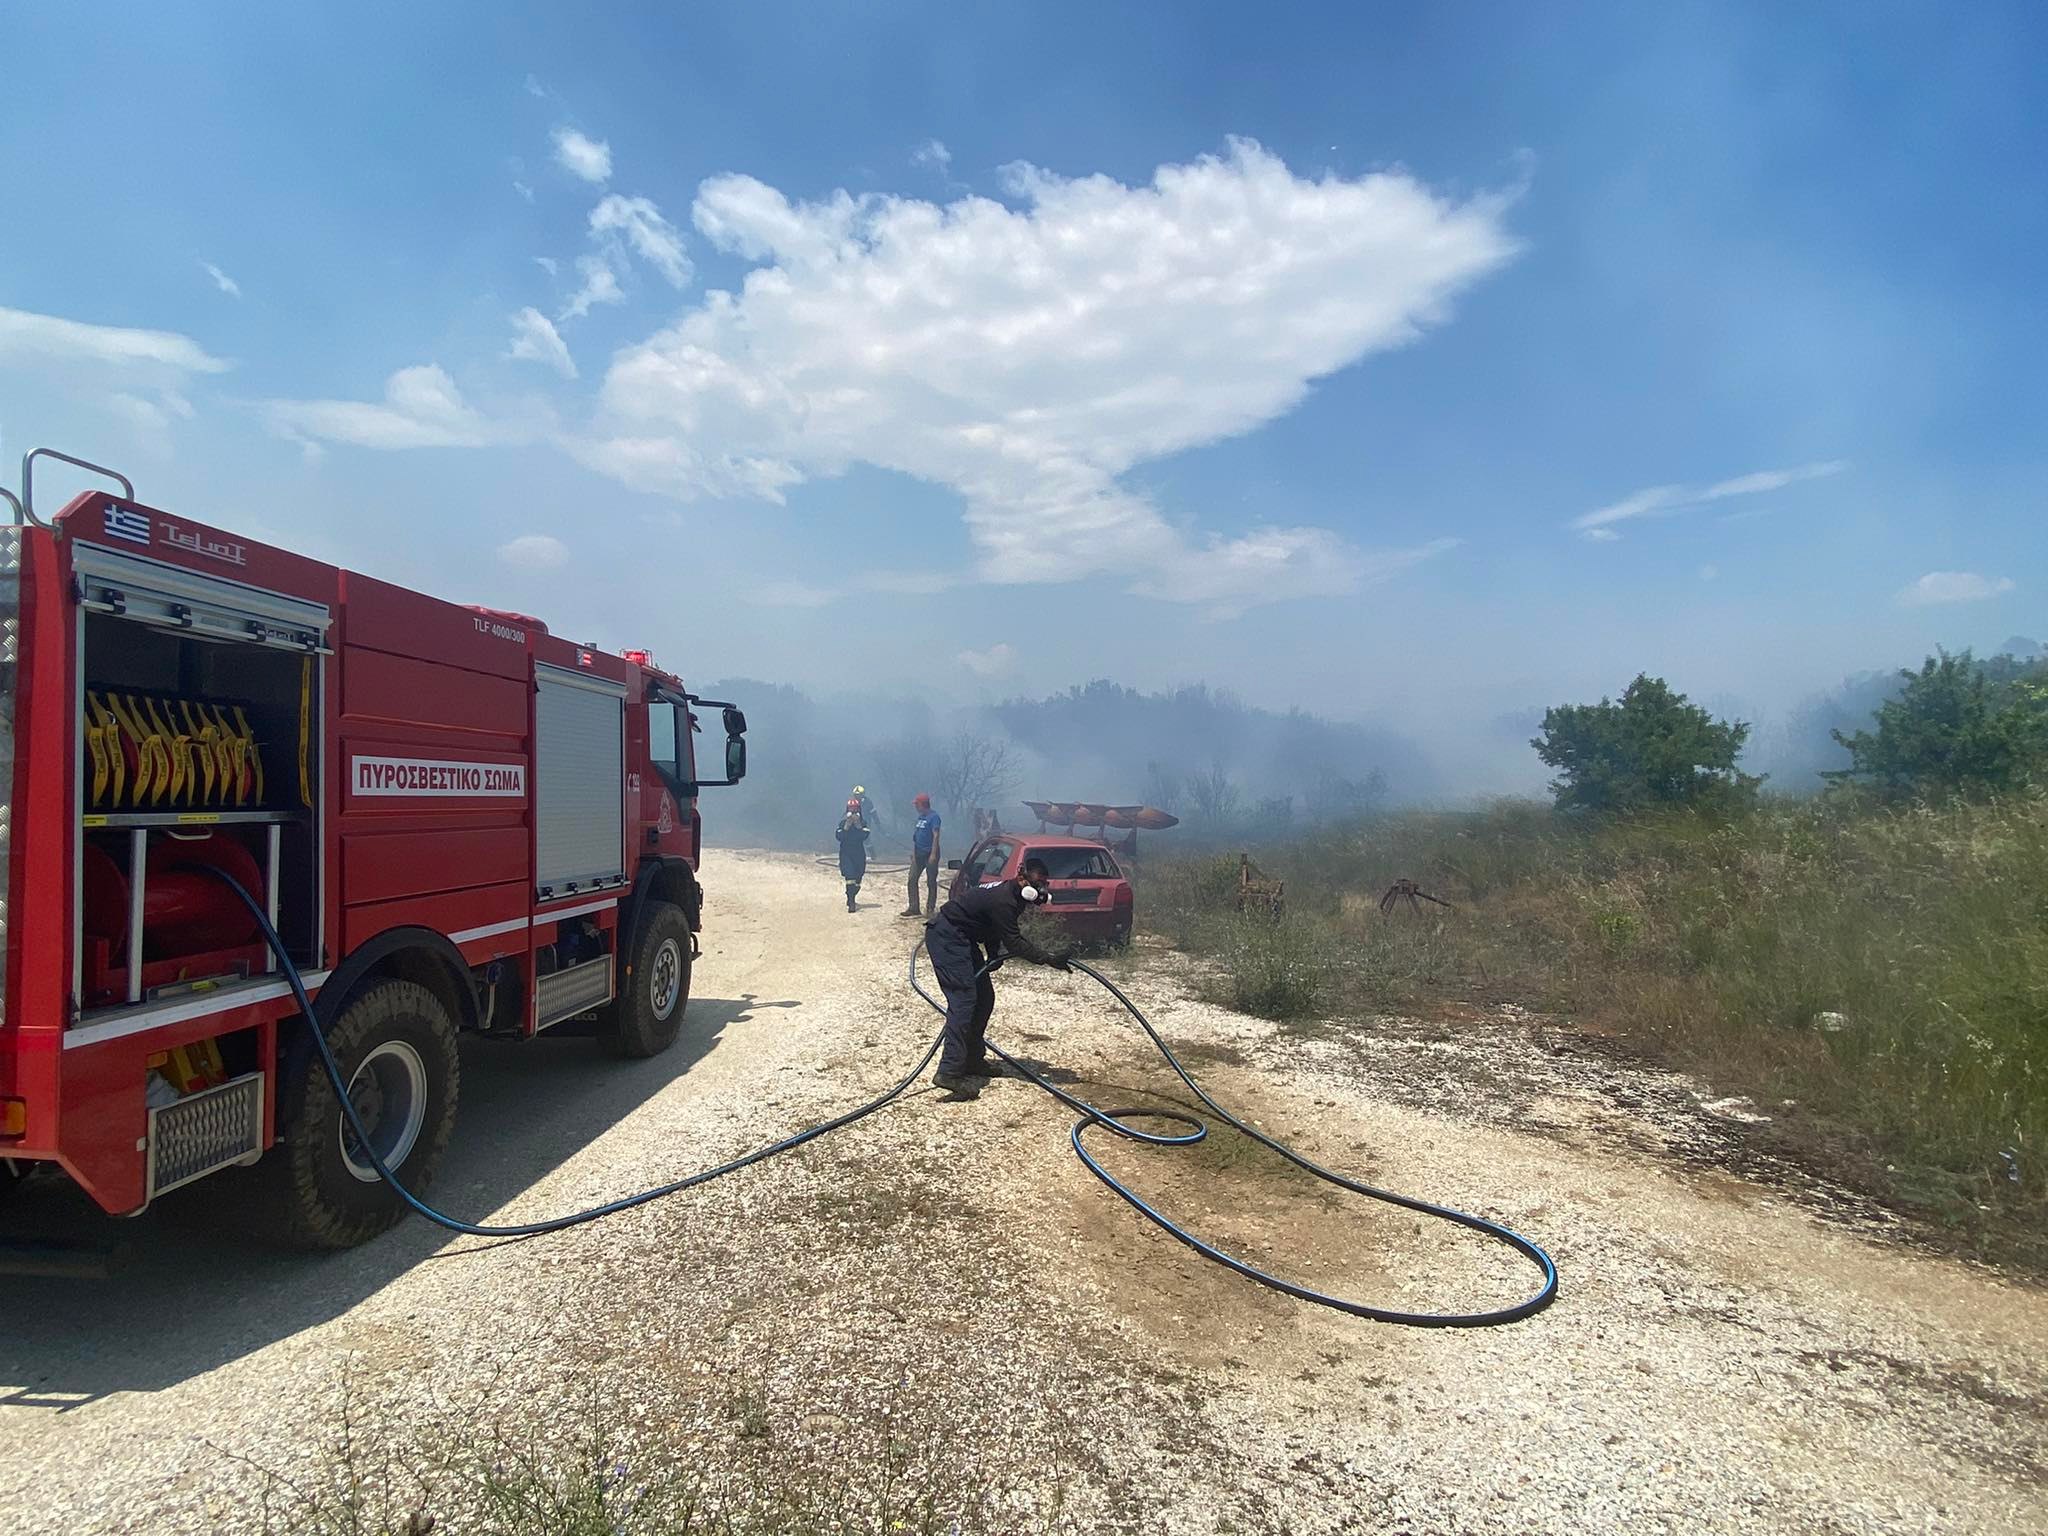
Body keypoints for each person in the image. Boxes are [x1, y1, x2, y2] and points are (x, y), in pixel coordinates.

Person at [924, 856, 1073, 1097]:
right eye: (1037, 882)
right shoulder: (1004, 899)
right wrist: (1048, 957)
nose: (1040, 889)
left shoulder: (1013, 897)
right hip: (947, 937)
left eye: (1044, 883)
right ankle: (949, 1072)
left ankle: (972, 1060)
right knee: (963, 1002)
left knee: (984, 999)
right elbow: (1014, 942)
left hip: (963, 938)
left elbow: (994, 927)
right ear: (1021, 877)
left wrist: (993, 954)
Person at [901, 792, 942, 916]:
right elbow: (916, 837)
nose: (915, 807)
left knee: (931, 882)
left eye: (917, 804)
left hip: (930, 853)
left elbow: (936, 836)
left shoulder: (934, 817)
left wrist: (933, 854)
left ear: (923, 804)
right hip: (918, 853)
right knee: (912, 879)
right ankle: (914, 907)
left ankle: (930, 908)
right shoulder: (920, 818)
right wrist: (913, 853)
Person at [834, 798, 869, 912]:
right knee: (850, 877)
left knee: (858, 878)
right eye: (851, 809)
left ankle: (851, 894)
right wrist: (847, 826)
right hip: (846, 854)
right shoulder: (842, 823)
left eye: (855, 809)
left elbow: (865, 835)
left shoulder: (863, 823)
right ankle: (852, 902)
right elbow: (839, 837)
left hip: (859, 854)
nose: (853, 812)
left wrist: (858, 825)